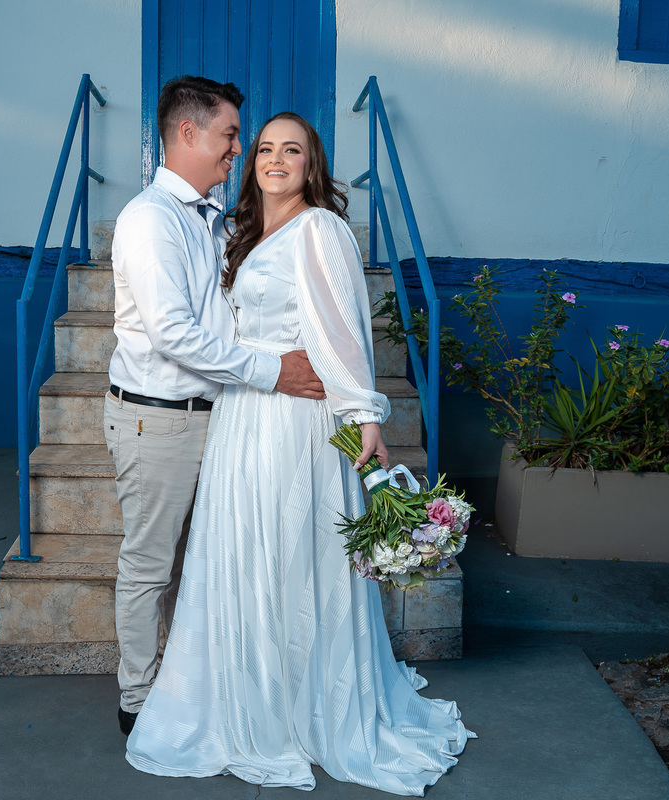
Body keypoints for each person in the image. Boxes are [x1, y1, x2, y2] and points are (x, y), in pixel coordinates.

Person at [124, 112, 475, 795]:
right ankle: (252, 699)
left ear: (312, 164)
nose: (274, 159)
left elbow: (342, 338)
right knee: (243, 557)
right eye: (263, 148)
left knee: (293, 555)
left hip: (294, 422)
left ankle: (304, 706)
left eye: (292, 150)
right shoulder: (244, 233)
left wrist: (363, 420)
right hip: (241, 418)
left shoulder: (322, 228)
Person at [105, 78, 326, 737]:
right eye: (232, 136)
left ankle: (199, 683)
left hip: (220, 415)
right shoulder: (151, 219)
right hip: (159, 416)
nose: (239, 151)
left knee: (210, 557)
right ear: (188, 134)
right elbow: (174, 333)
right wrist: (273, 373)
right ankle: (137, 700)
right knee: (151, 563)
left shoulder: (214, 220)